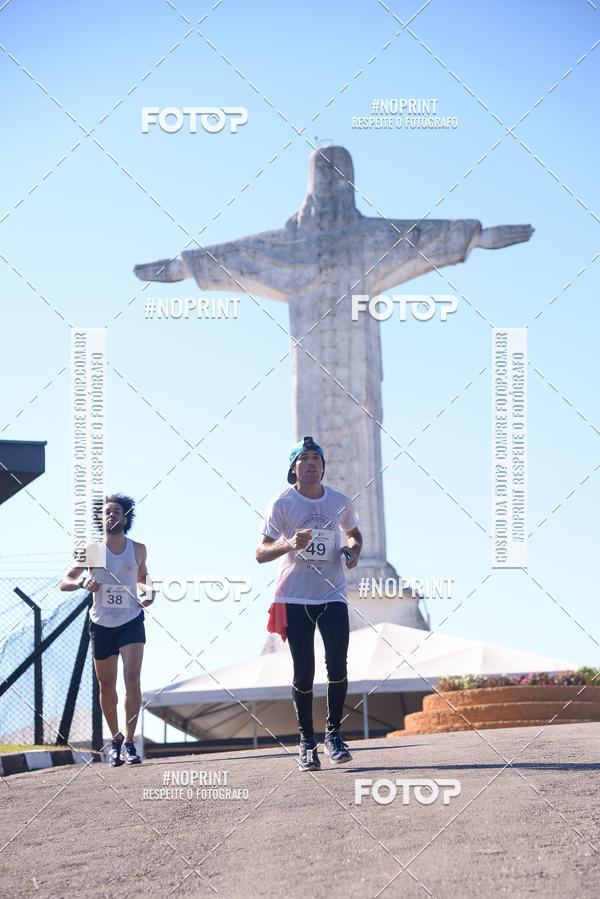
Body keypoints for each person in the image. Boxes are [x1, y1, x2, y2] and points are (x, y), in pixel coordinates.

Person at [256, 436, 362, 771]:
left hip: (332, 593)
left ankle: (333, 734)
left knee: (338, 665)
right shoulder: (282, 503)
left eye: (317, 457)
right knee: (305, 670)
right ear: (293, 468)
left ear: (323, 467)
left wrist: (352, 551)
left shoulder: (340, 501)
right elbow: (260, 553)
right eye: (304, 458)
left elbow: (354, 534)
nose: (312, 462)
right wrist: (289, 543)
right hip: (294, 595)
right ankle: (306, 741)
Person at [60, 494, 154, 766]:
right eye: (106, 512)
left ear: (126, 518)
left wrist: (149, 592)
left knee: (132, 677)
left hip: (131, 620)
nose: (110, 516)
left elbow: (142, 578)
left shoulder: (137, 549)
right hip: (101, 625)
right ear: (100, 519)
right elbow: (65, 581)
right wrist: (82, 584)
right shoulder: (92, 550)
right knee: (107, 686)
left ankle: (130, 743)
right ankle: (114, 740)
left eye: (116, 512)